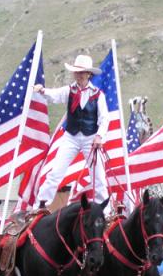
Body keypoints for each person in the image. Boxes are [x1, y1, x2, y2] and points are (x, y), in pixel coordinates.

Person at [33, 54, 110, 209]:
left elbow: (104, 119)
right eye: (77, 72)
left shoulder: (98, 95)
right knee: (56, 172)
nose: (79, 75)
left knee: (98, 176)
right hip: (71, 137)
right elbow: (54, 95)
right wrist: (42, 90)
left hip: (90, 138)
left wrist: (99, 136)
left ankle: (105, 209)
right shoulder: (69, 90)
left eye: (82, 72)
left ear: (89, 74)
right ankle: (40, 206)